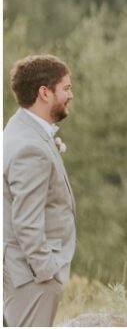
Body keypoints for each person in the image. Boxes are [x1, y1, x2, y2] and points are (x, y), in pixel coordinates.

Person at [4, 55, 77, 327]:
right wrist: (48, 273)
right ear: (44, 93)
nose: (71, 95)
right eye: (66, 88)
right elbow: (26, 223)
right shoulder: (29, 148)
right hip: (33, 281)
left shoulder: (20, 129)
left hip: (27, 276)